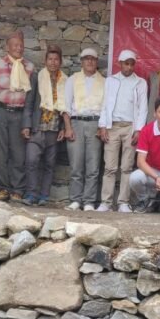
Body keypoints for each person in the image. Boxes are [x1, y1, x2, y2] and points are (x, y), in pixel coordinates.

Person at [0, 31, 34, 202]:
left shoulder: (29, 67)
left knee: (18, 153)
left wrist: (28, 120)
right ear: (7, 47)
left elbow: (30, 96)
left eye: (21, 45)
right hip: (1, 111)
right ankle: (2, 189)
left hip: (19, 113)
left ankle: (17, 190)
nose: (18, 48)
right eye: (15, 45)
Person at [98, 49, 148, 213]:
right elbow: (105, 104)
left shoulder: (140, 82)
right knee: (110, 167)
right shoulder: (111, 80)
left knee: (127, 167)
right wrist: (103, 126)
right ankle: (106, 202)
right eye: (126, 64)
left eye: (132, 64)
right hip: (112, 126)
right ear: (120, 63)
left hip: (130, 127)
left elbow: (143, 108)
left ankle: (123, 202)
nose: (129, 67)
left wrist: (139, 130)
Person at [21, 45, 67, 206]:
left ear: (60, 62)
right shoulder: (37, 77)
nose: (53, 62)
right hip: (37, 127)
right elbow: (29, 103)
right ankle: (31, 194)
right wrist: (26, 125)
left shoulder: (65, 80)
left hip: (54, 129)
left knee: (49, 164)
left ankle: (44, 196)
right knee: (31, 161)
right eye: (50, 59)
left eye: (56, 59)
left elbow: (66, 107)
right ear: (45, 61)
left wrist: (63, 128)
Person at [62, 48, 105, 211]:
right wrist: (68, 127)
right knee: (76, 164)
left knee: (93, 166)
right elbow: (66, 106)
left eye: (92, 59)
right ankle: (75, 200)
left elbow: (106, 107)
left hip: (95, 123)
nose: (89, 62)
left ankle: (89, 201)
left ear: (96, 62)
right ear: (81, 61)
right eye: (86, 59)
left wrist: (102, 127)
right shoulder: (72, 80)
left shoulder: (104, 82)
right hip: (76, 123)